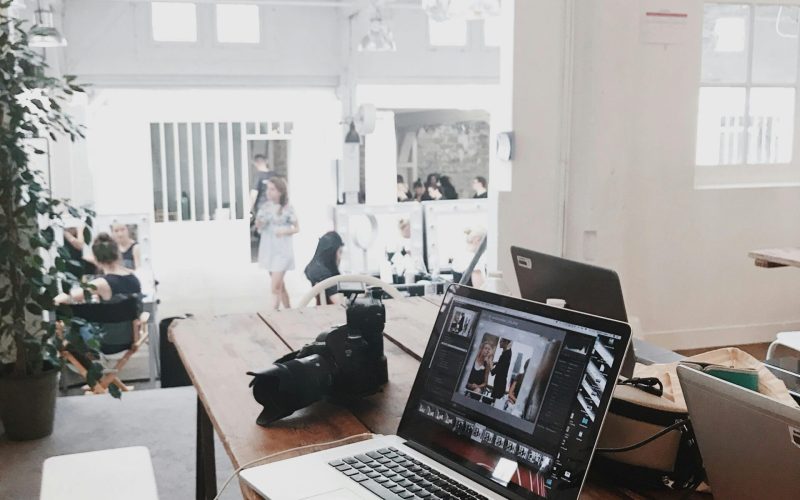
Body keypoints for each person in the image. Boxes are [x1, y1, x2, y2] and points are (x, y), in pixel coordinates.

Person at [55, 233, 142, 355]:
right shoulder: (133, 278)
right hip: (129, 339)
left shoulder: (101, 283)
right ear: (118, 254)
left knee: (71, 321)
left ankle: (81, 362)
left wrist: (55, 299)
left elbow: (64, 298)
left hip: (106, 343)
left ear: (95, 259)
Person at [255, 177, 299, 310]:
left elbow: (297, 228)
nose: (268, 192)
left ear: (280, 191)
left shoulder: (287, 208)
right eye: (268, 189)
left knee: (275, 288)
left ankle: (272, 314)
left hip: (282, 251)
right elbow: (258, 226)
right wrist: (259, 222)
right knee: (280, 286)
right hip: (269, 250)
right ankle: (289, 311)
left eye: (272, 189)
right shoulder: (265, 207)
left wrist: (284, 231)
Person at [304, 231, 345, 305]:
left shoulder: (314, 267)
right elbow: (340, 304)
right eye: (340, 252)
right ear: (331, 253)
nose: (340, 257)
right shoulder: (323, 274)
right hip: (333, 310)